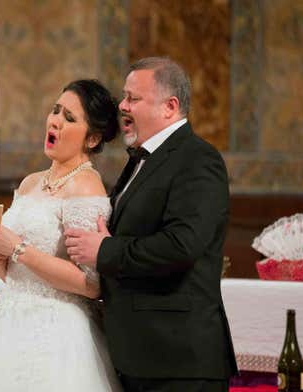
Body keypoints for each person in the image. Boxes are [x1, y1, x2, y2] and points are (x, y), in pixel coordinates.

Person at [64, 57, 238, 392]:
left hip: (178, 361)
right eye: (124, 98)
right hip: (138, 354)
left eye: (133, 99)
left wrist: (105, 250)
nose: (123, 107)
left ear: (170, 107)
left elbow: (182, 245)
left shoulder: (198, 159)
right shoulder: (140, 161)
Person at [0, 79, 123, 391]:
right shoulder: (31, 182)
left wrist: (16, 248)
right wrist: (0, 262)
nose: (55, 120)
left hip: (58, 332)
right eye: (56, 110)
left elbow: (91, 283)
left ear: (93, 137)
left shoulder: (85, 186)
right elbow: (25, 276)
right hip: (10, 321)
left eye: (70, 118)